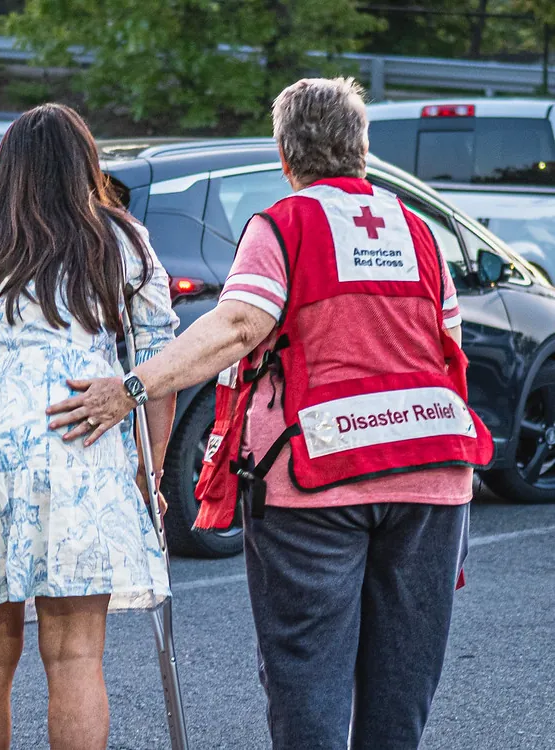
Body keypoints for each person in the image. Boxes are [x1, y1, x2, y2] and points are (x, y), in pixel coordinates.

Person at [47, 78, 494, 749]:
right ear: (363, 148)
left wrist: (128, 389)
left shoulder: (284, 225)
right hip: (431, 475)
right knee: (400, 687)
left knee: (307, 681)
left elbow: (236, 325)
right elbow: (448, 348)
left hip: (317, 476)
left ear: (285, 156)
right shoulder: (415, 230)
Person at [0, 103, 178, 750]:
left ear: (5, 167)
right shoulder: (120, 242)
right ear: (85, 164)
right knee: (75, 653)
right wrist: (148, 472)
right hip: (75, 442)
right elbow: (157, 368)